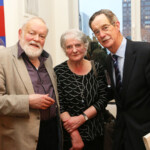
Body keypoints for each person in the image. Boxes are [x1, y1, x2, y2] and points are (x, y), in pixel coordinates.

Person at [89, 9, 150, 150]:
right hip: (123, 136)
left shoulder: (145, 52)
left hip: (146, 136)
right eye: (97, 32)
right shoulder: (109, 60)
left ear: (117, 25)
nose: (102, 35)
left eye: (105, 28)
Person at [0, 17, 63, 150]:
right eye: (31, 33)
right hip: (20, 139)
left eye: (42, 36)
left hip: (51, 133)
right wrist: (27, 101)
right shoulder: (3, 56)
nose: (36, 39)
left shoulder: (47, 59)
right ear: (20, 33)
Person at [54, 29, 108, 150]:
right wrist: (74, 134)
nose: (74, 50)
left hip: (96, 133)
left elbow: (103, 98)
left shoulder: (97, 67)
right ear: (64, 50)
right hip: (70, 137)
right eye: (69, 46)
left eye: (78, 45)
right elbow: (59, 104)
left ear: (85, 46)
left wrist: (82, 118)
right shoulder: (58, 72)